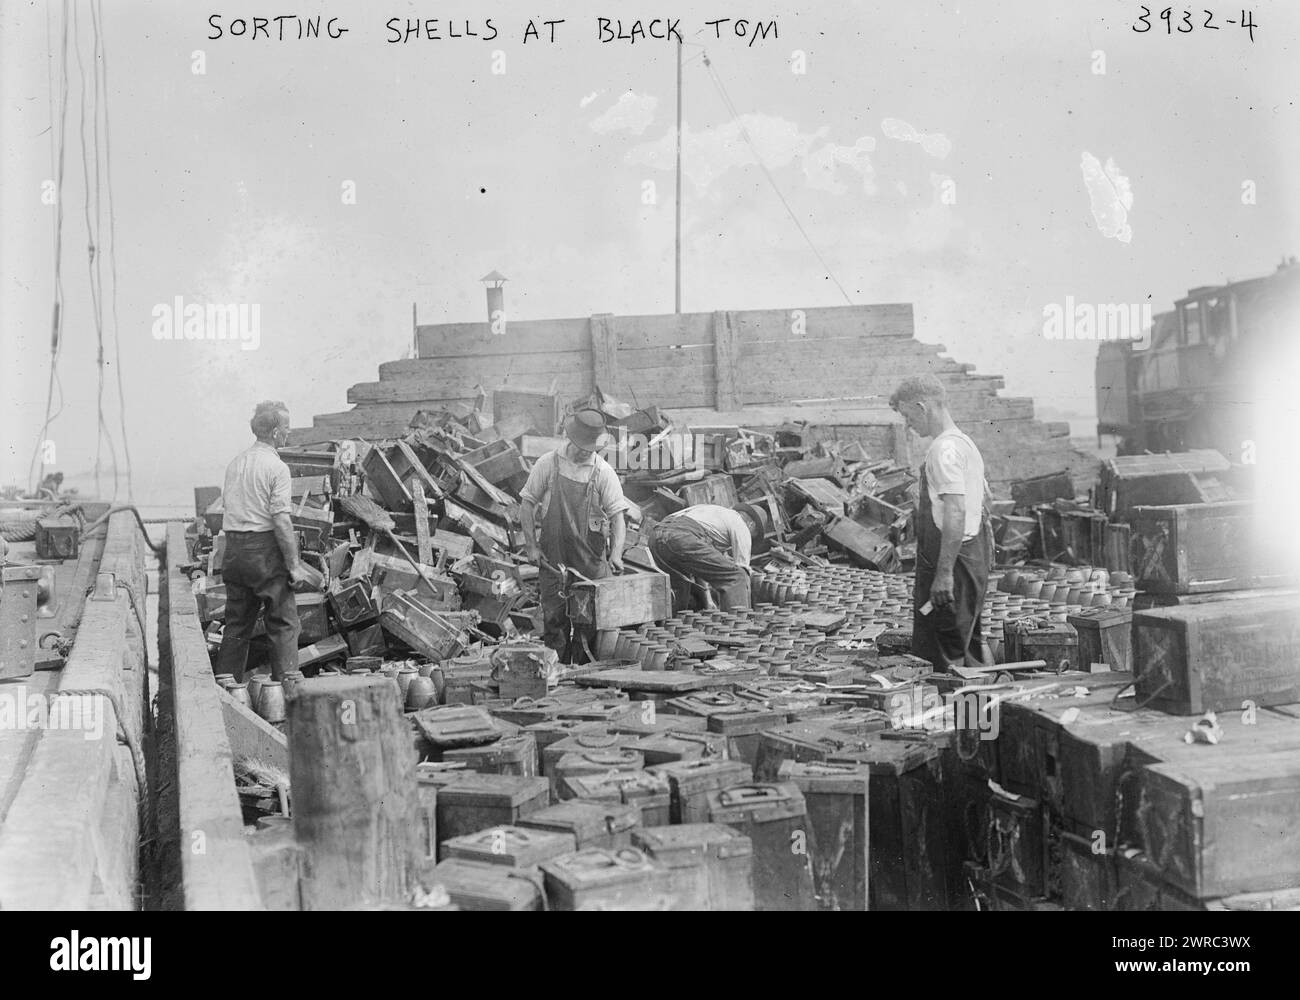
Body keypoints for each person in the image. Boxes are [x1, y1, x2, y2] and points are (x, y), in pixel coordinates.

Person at [889, 375, 993, 671]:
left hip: (953, 565)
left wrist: (944, 574)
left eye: (909, 417)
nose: (909, 426)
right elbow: (984, 503)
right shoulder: (964, 444)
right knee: (965, 647)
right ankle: (974, 712)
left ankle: (952, 714)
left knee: (944, 659)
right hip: (970, 558)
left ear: (923, 407)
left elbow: (956, 511)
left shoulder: (943, 450)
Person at [519, 409, 630, 661]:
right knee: (554, 620)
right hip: (552, 558)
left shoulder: (603, 472)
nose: (584, 451)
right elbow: (527, 505)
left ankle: (582, 676)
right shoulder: (548, 463)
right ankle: (554, 673)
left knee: (587, 624)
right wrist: (531, 546)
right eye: (581, 446)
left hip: (589, 563)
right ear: (570, 438)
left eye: (590, 447)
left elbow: (618, 518)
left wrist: (616, 554)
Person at [216, 401, 309, 681]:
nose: (289, 435)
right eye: (287, 429)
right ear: (276, 432)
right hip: (263, 552)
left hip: (232, 551)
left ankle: (227, 688)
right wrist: (294, 566)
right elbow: (281, 520)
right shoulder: (276, 468)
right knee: (283, 623)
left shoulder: (236, 464)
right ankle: (287, 692)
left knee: (236, 625)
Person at [648, 503, 753, 611]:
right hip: (679, 537)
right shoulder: (740, 523)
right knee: (736, 576)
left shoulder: (712, 512)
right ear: (751, 524)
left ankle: (669, 623)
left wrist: (708, 600)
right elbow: (742, 572)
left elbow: (701, 566)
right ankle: (738, 623)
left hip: (656, 537)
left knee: (680, 590)